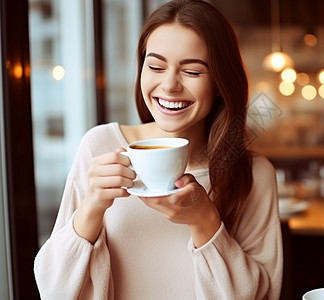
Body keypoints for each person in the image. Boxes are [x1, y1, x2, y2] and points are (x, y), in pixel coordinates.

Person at [34, 0, 283, 299]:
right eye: (155, 66)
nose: (169, 85)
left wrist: (204, 222)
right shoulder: (100, 146)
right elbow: (53, 289)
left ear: (220, 82)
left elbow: (264, 294)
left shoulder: (254, 174)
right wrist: (92, 206)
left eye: (192, 72)